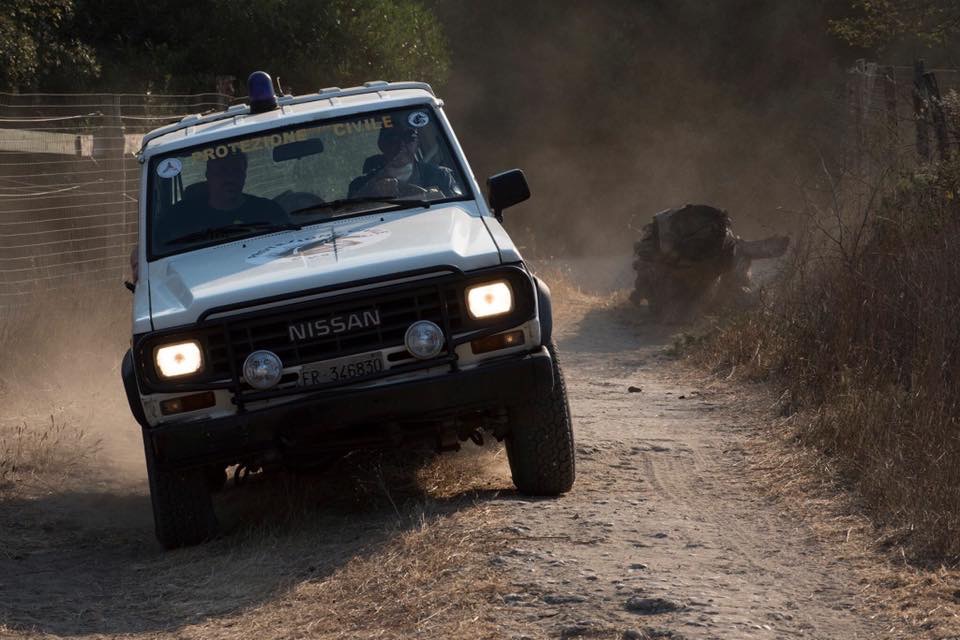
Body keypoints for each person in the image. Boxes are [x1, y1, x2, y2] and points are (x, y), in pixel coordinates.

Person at [158, 151, 290, 245]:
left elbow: (291, 241)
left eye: (236, 171)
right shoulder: (179, 217)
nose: (230, 178)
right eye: (222, 171)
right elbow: (154, 249)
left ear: (244, 175)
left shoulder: (268, 211)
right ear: (208, 175)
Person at [347, 124, 460, 199]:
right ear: (382, 145)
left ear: (417, 143)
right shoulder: (359, 185)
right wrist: (372, 191)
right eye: (392, 140)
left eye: (409, 138)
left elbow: (455, 210)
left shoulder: (441, 176)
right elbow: (348, 212)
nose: (401, 146)